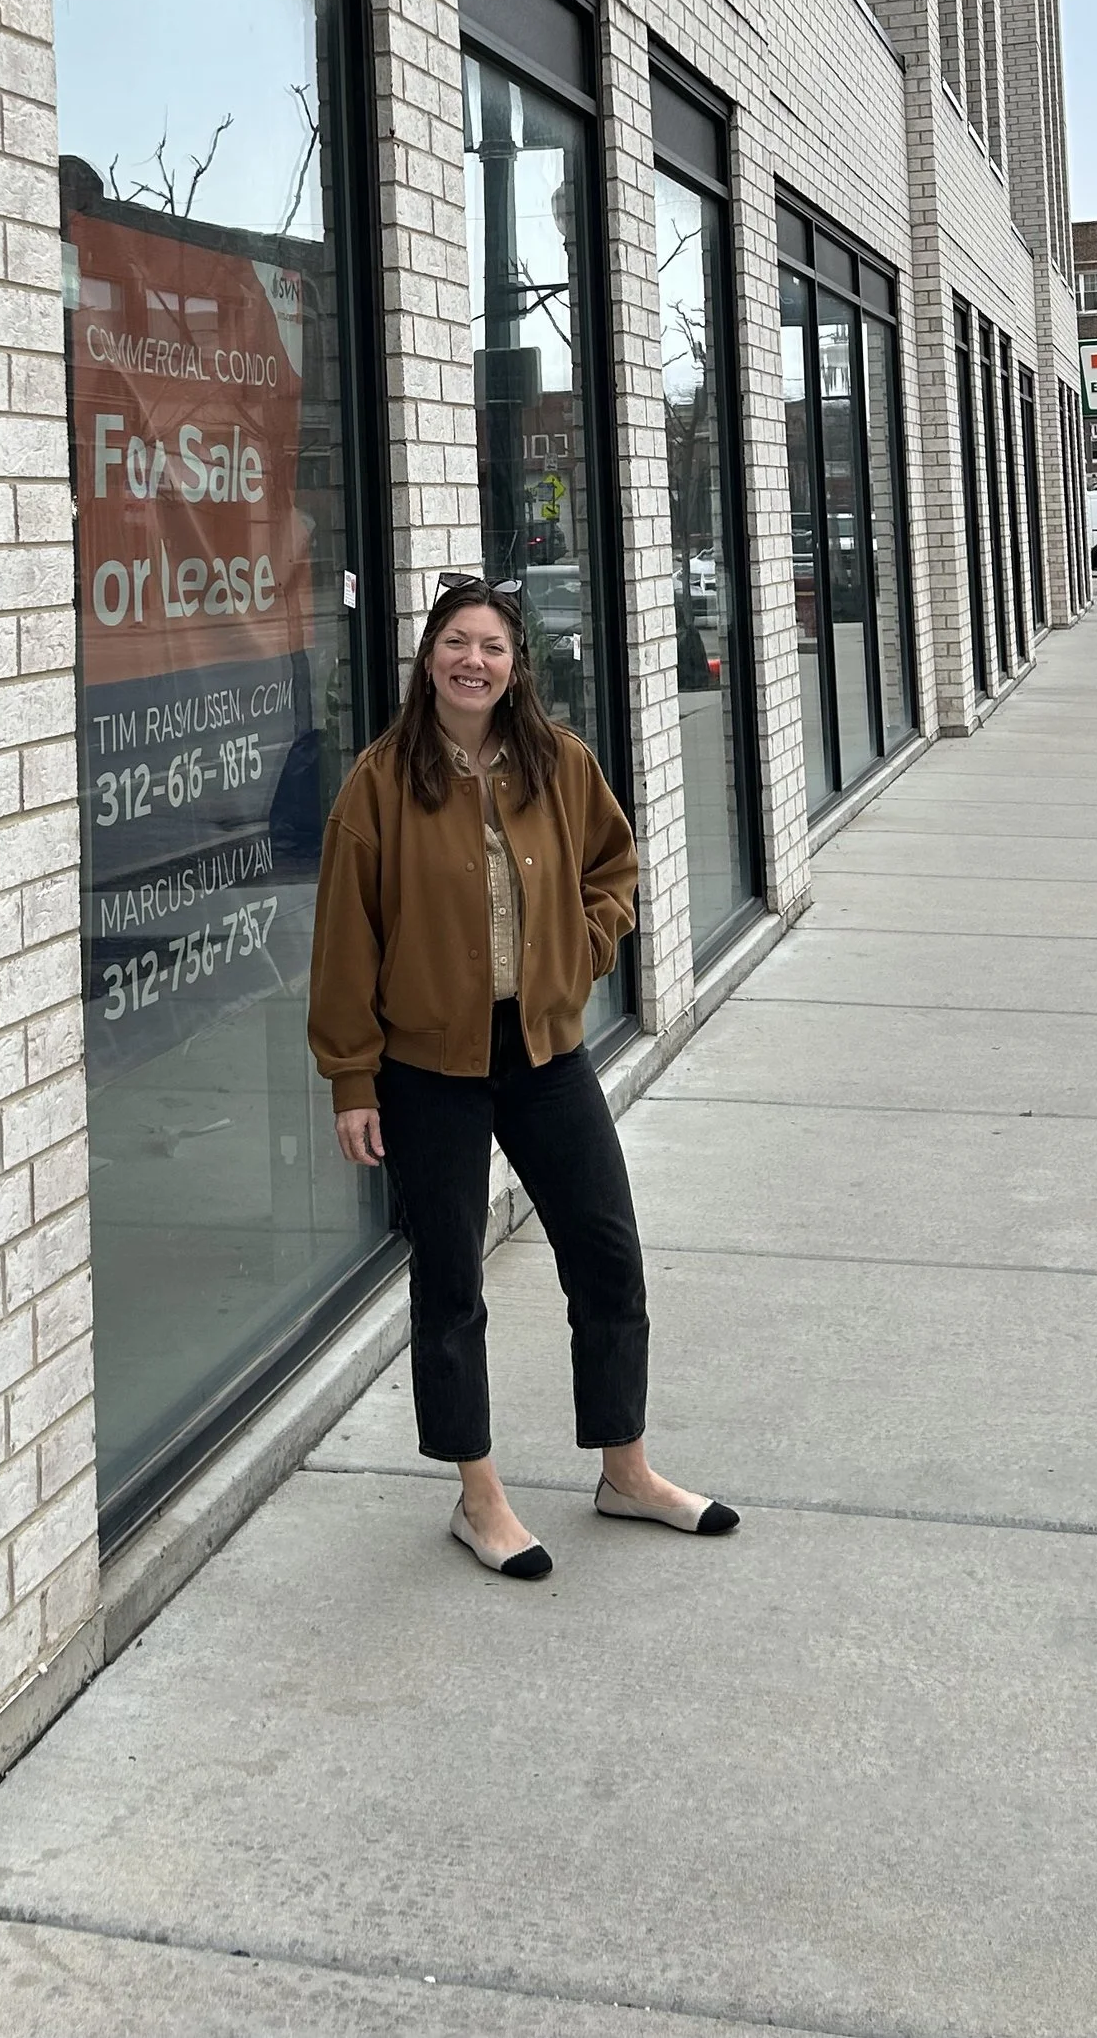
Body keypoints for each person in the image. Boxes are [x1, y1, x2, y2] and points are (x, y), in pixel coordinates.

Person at [308, 574, 739, 1580]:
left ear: (515, 667)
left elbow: (615, 868)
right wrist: (351, 1081)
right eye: (455, 643)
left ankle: (625, 1470)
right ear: (427, 659)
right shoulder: (378, 785)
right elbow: (343, 945)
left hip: (545, 1051)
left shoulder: (558, 763)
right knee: (451, 1284)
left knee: (606, 1256)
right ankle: (479, 1498)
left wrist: (581, 952)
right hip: (425, 1069)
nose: (472, 661)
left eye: (491, 647)